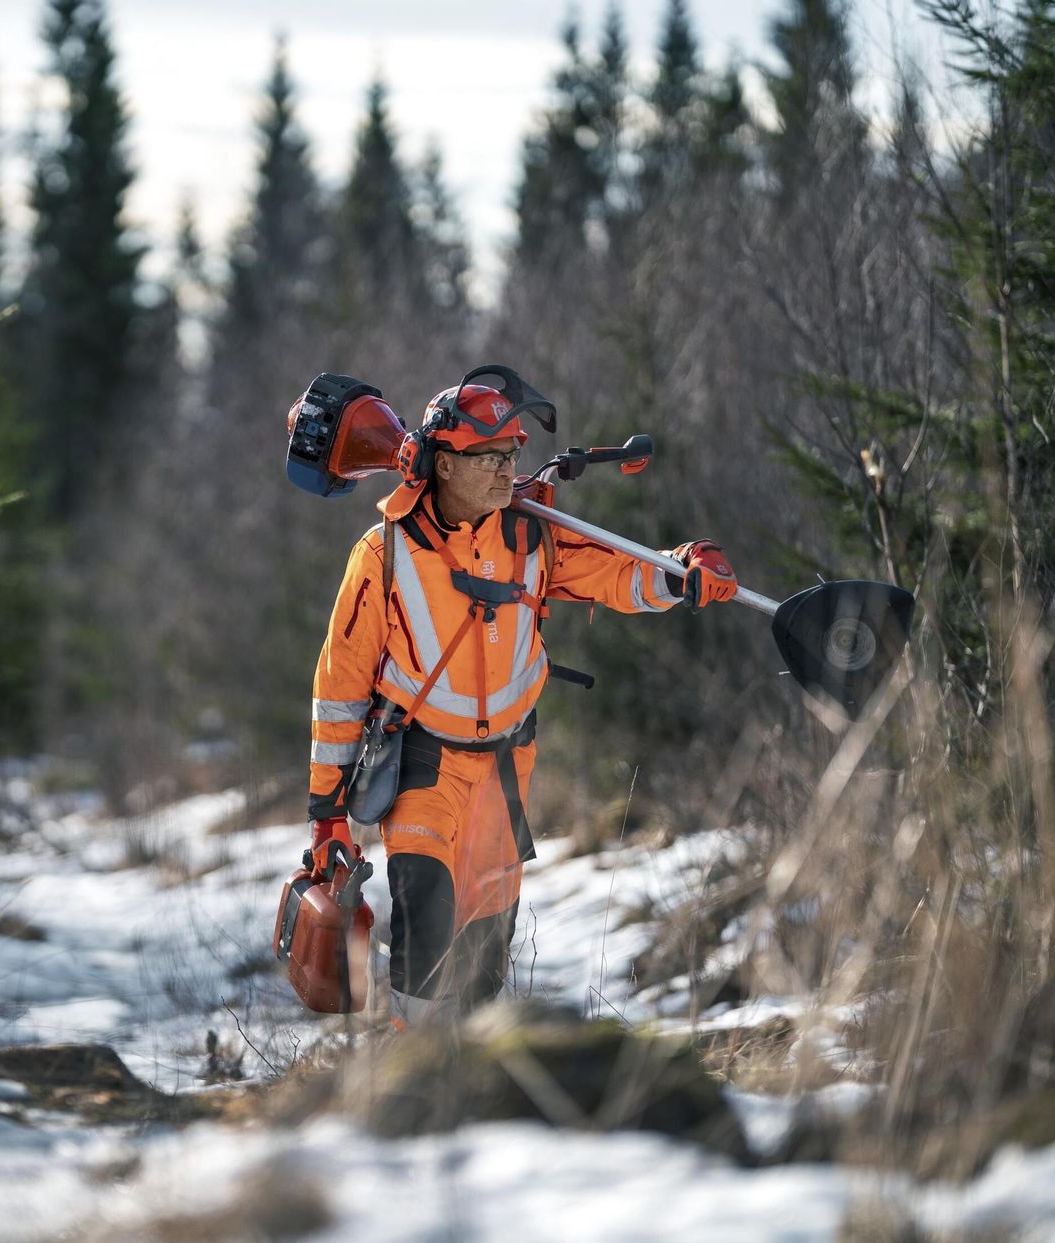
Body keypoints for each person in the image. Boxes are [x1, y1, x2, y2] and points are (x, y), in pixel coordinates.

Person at [305, 375, 738, 1027]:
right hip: (424, 763)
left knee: (485, 948)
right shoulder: (384, 553)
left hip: (507, 764)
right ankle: (417, 1080)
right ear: (445, 462)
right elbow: (339, 687)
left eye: (512, 452)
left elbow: (618, 572)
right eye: (492, 457)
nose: (509, 469)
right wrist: (326, 816)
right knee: (425, 913)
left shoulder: (534, 537)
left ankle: (483, 1083)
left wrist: (684, 572)